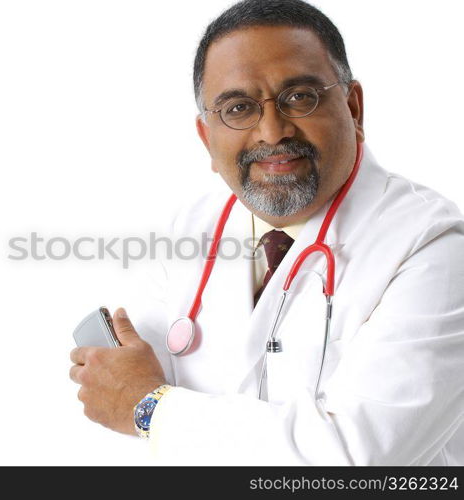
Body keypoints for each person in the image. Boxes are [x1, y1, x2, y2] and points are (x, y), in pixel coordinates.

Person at [69, 0, 464, 465]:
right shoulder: (191, 227)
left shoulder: (435, 249)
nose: (272, 132)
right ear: (206, 138)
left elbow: (358, 460)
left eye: (300, 97)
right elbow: (126, 381)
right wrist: (128, 390)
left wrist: (152, 410)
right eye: (238, 108)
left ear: (354, 108)